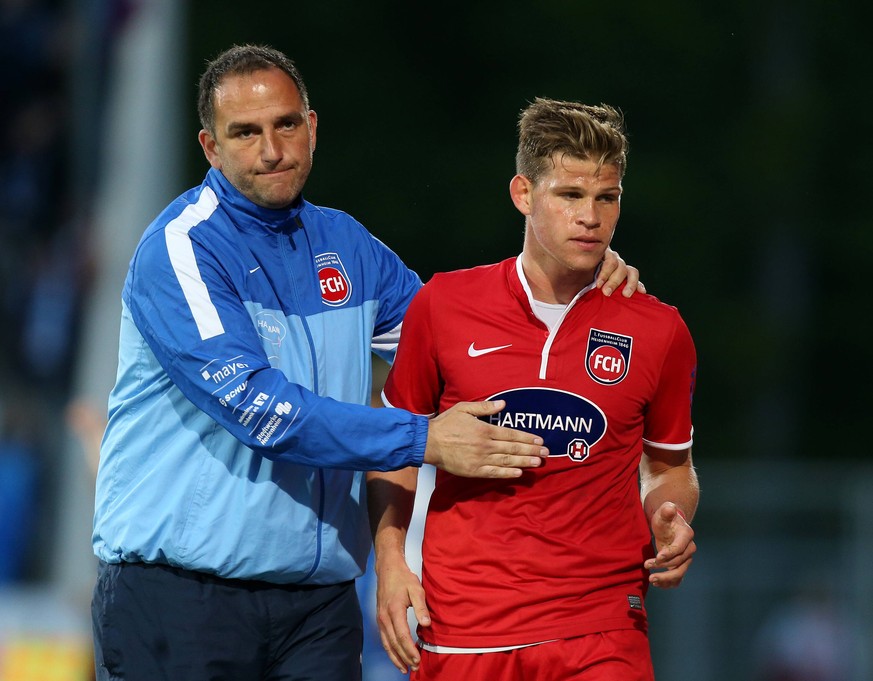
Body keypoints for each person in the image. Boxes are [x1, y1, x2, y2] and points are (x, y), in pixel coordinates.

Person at [89, 45, 641, 681]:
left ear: (313, 127)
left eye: (286, 125)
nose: (271, 149)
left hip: (318, 606)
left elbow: (470, 344)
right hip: (181, 598)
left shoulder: (345, 244)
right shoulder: (182, 248)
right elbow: (261, 412)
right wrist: (424, 439)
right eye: (246, 132)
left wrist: (574, 278)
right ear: (210, 148)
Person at [368, 98, 699, 681]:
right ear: (523, 194)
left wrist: (671, 515)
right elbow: (394, 449)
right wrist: (391, 563)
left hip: (603, 629)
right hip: (464, 630)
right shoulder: (443, 305)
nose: (590, 217)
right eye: (569, 195)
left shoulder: (659, 328)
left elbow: (670, 465)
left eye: (607, 197)